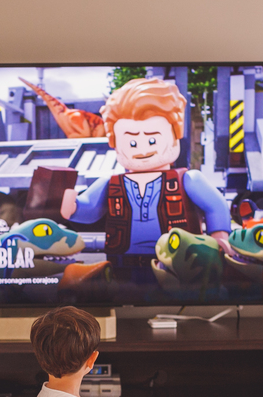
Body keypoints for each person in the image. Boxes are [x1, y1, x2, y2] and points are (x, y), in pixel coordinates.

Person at [59, 78, 232, 285]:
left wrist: (219, 239)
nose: (142, 149)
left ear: (175, 135)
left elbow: (216, 206)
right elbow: (89, 209)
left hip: (176, 267)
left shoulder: (187, 180)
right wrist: (73, 206)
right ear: (115, 142)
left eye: (152, 140)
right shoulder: (111, 183)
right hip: (123, 267)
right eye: (132, 142)